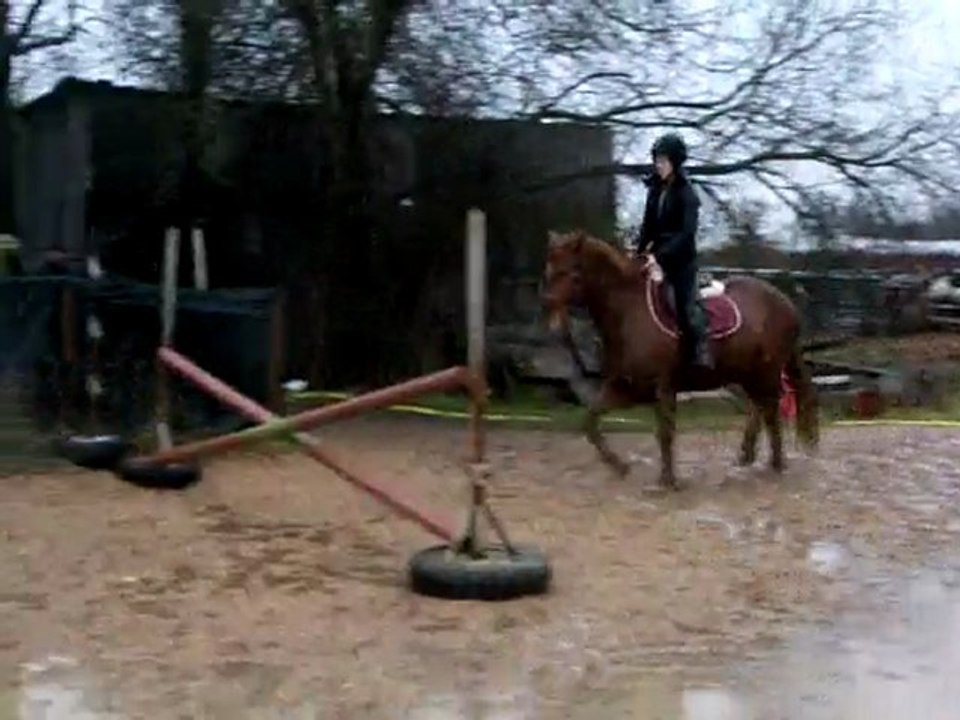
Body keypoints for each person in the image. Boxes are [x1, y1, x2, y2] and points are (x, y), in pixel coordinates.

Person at [635, 133, 713, 370]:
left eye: (663, 161)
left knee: (684, 305)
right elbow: (648, 227)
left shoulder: (687, 194)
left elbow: (686, 234)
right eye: (657, 160)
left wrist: (660, 256)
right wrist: (638, 252)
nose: (658, 165)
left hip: (681, 262)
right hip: (656, 259)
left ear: (675, 162)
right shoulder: (655, 190)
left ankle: (700, 350)